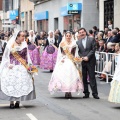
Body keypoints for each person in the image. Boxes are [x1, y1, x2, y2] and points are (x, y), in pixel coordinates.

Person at [0, 29, 37, 109]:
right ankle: (11, 102)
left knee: (21, 83)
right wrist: (8, 64)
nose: (24, 37)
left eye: (24, 36)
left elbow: (27, 57)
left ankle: (18, 101)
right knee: (12, 83)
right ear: (18, 36)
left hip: (22, 67)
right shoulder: (10, 44)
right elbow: (5, 57)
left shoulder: (24, 44)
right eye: (22, 36)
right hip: (12, 66)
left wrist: (29, 66)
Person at [48, 31, 83, 98]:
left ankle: (70, 91)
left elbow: (75, 53)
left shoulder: (74, 44)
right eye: (67, 36)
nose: (68, 37)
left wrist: (76, 59)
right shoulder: (62, 44)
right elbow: (60, 54)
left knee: (71, 76)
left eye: (69, 36)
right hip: (64, 60)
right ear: (65, 36)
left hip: (72, 61)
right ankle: (66, 91)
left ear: (71, 36)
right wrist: (61, 60)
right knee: (63, 76)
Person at [76, 28, 99, 99]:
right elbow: (78, 52)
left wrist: (88, 57)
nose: (81, 33)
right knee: (84, 78)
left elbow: (93, 49)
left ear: (85, 32)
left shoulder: (91, 39)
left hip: (90, 61)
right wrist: (82, 57)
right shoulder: (78, 42)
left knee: (92, 77)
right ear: (79, 34)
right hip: (82, 62)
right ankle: (86, 93)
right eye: (80, 32)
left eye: (83, 32)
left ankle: (95, 93)